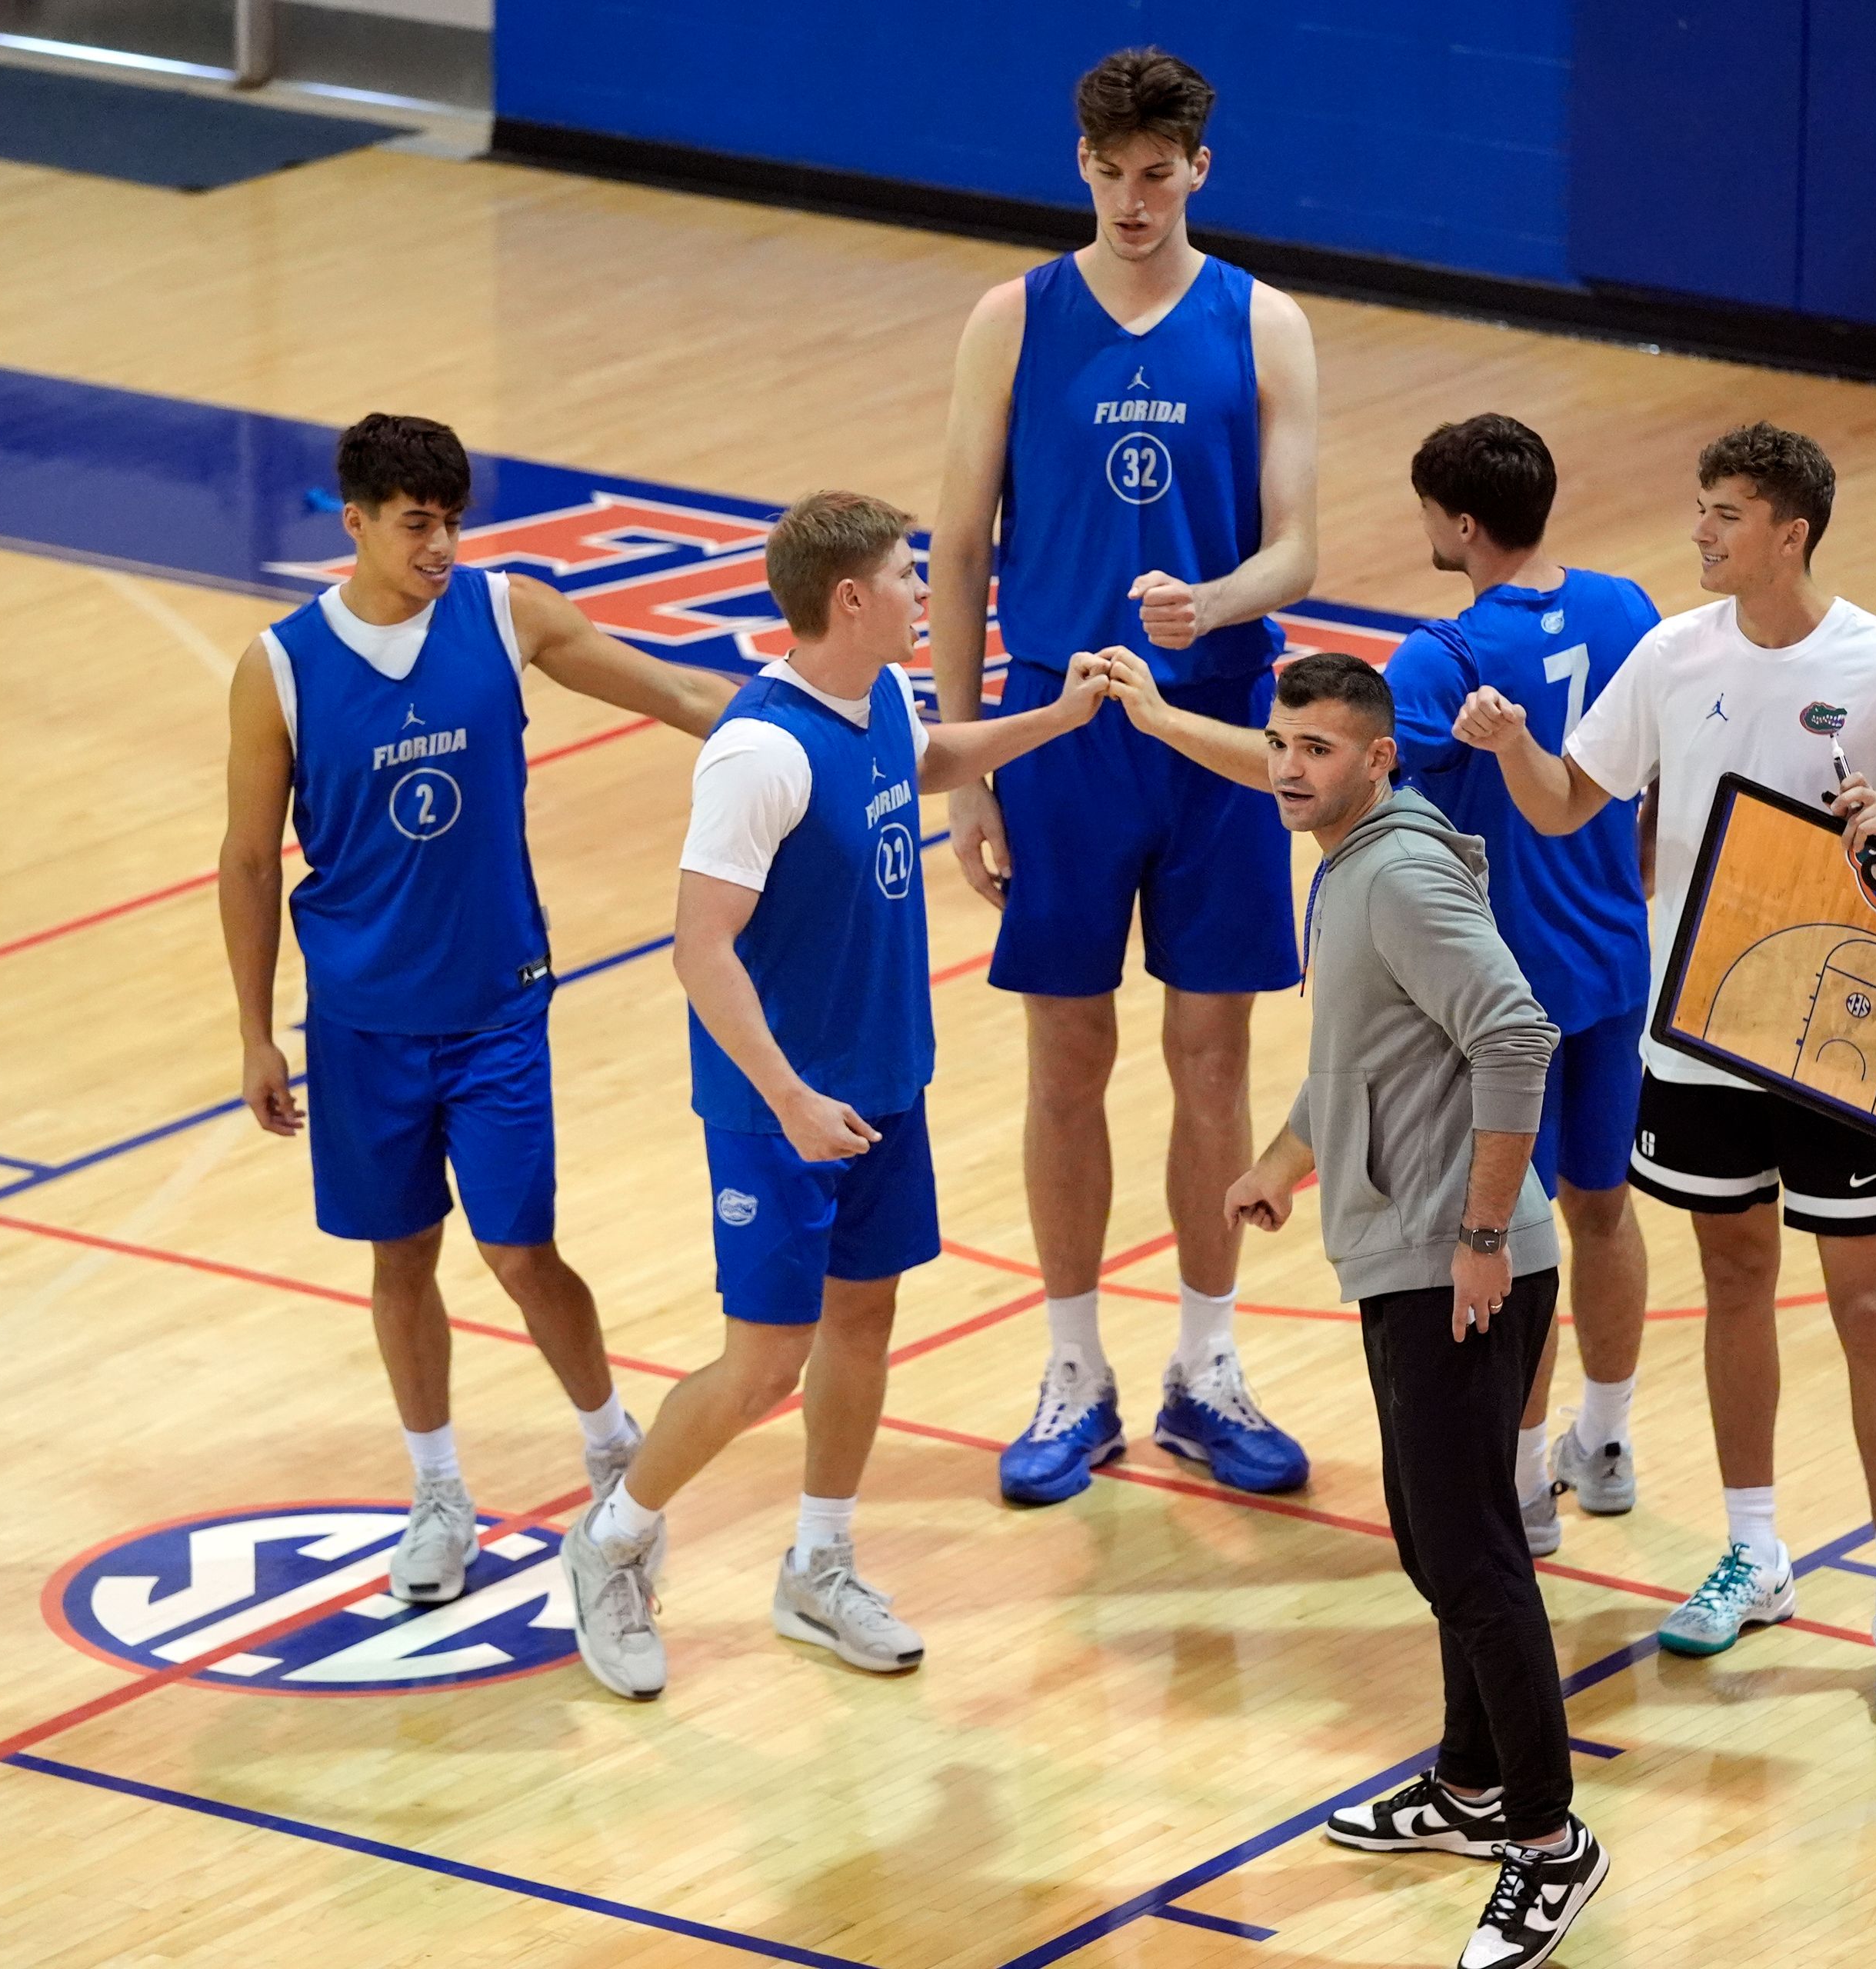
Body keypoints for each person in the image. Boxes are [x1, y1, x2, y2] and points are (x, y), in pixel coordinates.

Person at [1452, 422, 1876, 1714]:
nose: (1700, 532)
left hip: (1844, 1032)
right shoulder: (1671, 657)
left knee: (1866, 1306)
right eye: (1701, 508)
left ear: (1789, 531)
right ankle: (1755, 1552)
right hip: (1698, 1033)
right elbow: (1570, 803)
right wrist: (1510, 740)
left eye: (1725, 513)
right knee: (1734, 1281)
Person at [561, 493, 1109, 1701]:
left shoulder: (882, 699)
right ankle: (609, 1541)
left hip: (883, 1085)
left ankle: (819, 1563)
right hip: (780, 1108)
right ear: (850, 601)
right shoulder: (758, 751)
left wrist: (1057, 719)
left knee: (863, 1329)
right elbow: (701, 948)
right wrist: (791, 1095)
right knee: (764, 1362)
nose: (928, 595)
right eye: (909, 578)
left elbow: (929, 763)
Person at [1107, 413, 1661, 1558]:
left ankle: (1520, 1483)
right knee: (1607, 1211)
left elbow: (1306, 770)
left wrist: (1160, 721)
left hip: (1508, 984)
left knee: (1523, 1235)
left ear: (1460, 524)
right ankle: (1604, 1443)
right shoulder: (1626, 608)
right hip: (1616, 957)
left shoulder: (1445, 658)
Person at [219, 412, 737, 1608]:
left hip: (498, 1009)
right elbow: (249, 862)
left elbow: (677, 692)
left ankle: (614, 1449)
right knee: (401, 1256)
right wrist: (255, 1031)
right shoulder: (282, 668)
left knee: (517, 1248)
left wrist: (802, 719)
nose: (441, 544)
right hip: (359, 1023)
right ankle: (439, 1492)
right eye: (416, 523)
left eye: (452, 520)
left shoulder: (509, 615)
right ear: (354, 522)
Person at [929, 45, 1321, 1504]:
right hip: (1059, 726)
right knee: (1066, 1061)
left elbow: (1299, 548)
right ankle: (1073, 1370)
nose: (1137, 199)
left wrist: (1214, 606)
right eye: (1113, 173)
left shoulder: (1265, 322)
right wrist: (966, 764)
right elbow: (959, 545)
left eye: (1161, 174)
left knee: (1212, 1060)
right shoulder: (1011, 319)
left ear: (1198, 169)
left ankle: (1206, 1370)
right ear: (1080, 164)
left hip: (1216, 725)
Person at [1224, 654, 1606, 1969]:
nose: (1288, 767)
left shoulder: (1393, 874)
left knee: (1476, 1560)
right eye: (1281, 742)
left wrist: (1483, 1236)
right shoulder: (1351, 864)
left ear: (1379, 759)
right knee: (1439, 1544)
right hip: (1419, 1255)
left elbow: (1516, 1034)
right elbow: (1366, 1059)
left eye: (1319, 748)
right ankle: (1470, 1783)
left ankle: (1550, 1842)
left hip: (1461, 1269)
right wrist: (1284, 1161)